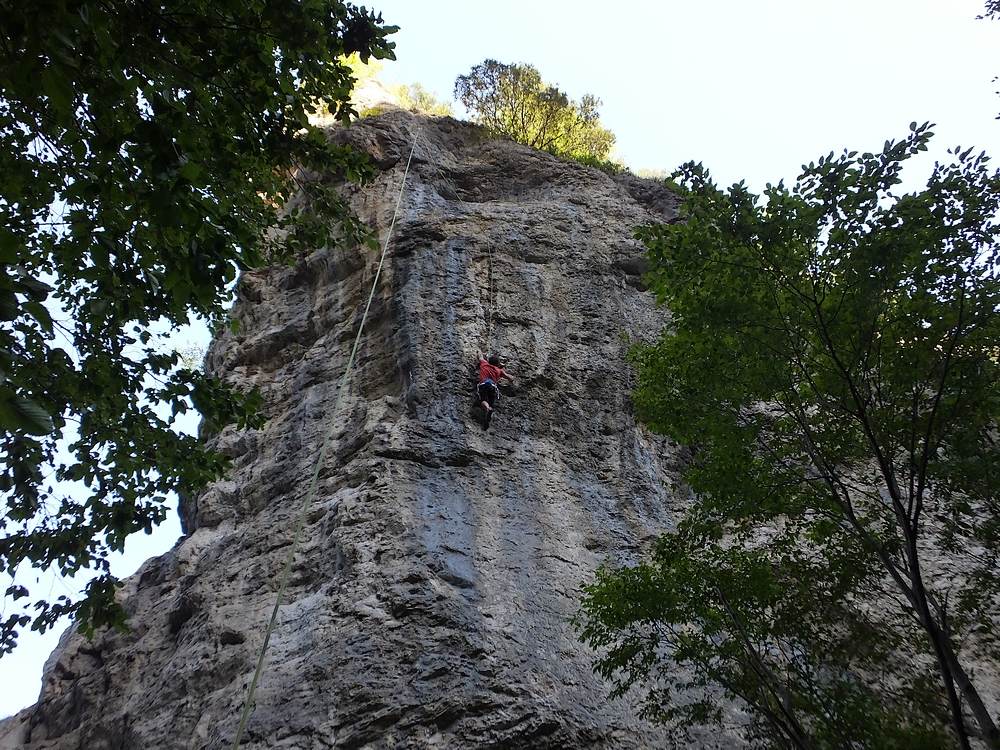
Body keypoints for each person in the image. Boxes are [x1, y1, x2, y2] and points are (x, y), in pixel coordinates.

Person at [476, 350, 512, 428]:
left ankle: (487, 408)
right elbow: (509, 377)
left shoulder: (484, 364)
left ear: (489, 361)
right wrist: (511, 379)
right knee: (491, 402)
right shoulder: (499, 370)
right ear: (498, 364)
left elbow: (480, 356)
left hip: (483, 384)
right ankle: (489, 408)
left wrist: (479, 351)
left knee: (483, 400)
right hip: (493, 386)